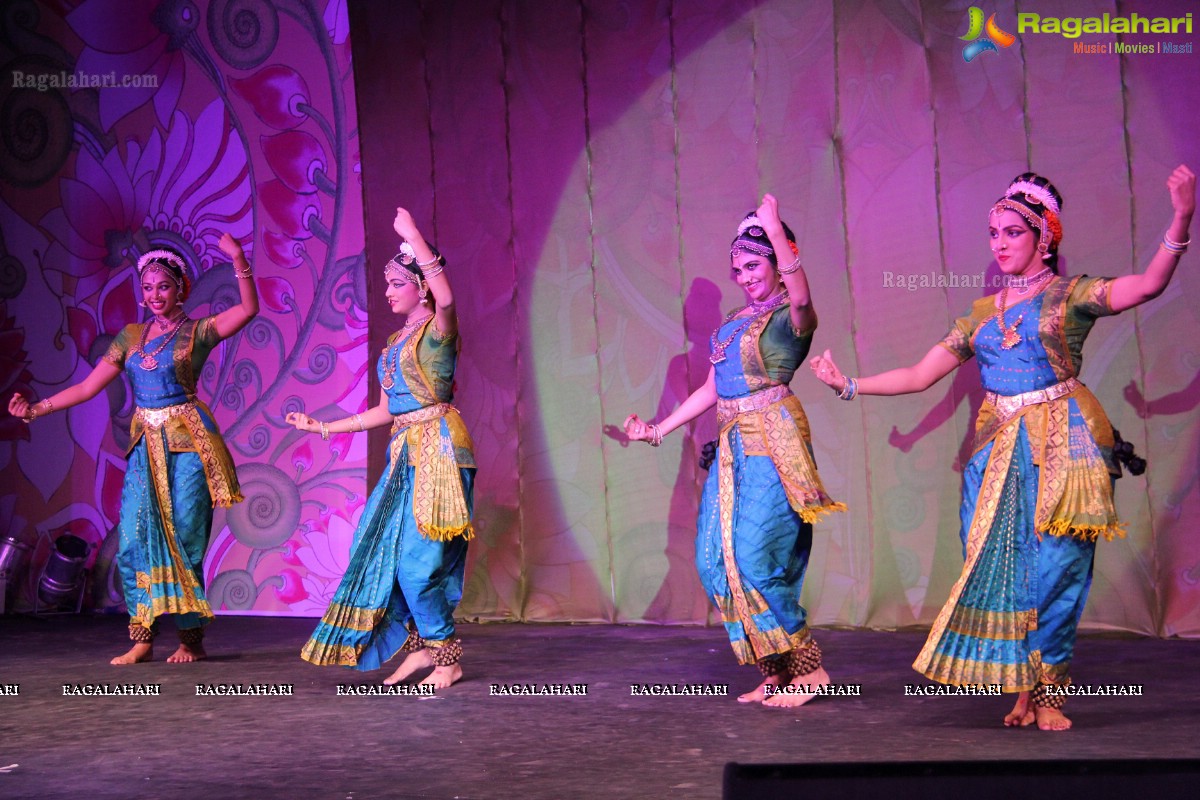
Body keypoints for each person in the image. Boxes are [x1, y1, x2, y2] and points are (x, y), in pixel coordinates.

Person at [810, 166, 1195, 730]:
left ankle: (1049, 693)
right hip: (995, 459)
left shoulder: (1072, 296)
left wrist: (1182, 216)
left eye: (1013, 232)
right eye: (994, 234)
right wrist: (848, 384)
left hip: (1063, 450)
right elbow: (921, 374)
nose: (1000, 244)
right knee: (1002, 570)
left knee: (1057, 569)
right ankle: (1020, 688)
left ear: (1045, 238)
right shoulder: (981, 315)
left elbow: (1148, 285)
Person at [624, 195, 846, 707]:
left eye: (754, 265)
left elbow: (802, 296)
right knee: (713, 561)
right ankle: (776, 668)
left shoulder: (791, 320)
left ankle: (809, 669)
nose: (745, 276)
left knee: (752, 554)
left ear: (777, 260)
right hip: (731, 449)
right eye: (738, 268)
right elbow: (711, 389)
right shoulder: (731, 322)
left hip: (773, 443)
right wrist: (657, 430)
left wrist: (774, 228)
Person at [9, 234, 259, 664]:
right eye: (147, 287)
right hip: (146, 450)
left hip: (187, 447)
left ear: (180, 288)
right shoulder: (129, 337)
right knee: (133, 540)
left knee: (185, 537)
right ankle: (142, 634)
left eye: (163, 286)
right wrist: (36, 409)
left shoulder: (197, 331)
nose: (155, 295)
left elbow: (249, 310)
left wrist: (237, 259)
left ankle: (190, 639)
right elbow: (88, 387)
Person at [288, 207, 475, 690]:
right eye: (388, 284)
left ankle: (448, 657)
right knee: (382, 552)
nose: (388, 291)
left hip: (438, 452)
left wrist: (413, 235)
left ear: (421, 289)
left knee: (419, 565)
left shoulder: (438, 331)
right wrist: (324, 428)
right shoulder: (394, 344)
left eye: (397, 283)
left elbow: (449, 299)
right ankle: (423, 650)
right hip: (403, 457)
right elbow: (386, 410)